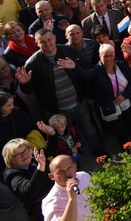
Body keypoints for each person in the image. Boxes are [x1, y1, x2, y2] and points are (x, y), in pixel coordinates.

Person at [16, 28, 105, 157]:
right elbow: (30, 90)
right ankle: (73, 158)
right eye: (43, 42)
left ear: (55, 38)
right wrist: (25, 83)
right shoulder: (33, 63)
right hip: (56, 109)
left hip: (79, 101)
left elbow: (84, 73)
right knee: (64, 135)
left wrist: (89, 95)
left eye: (49, 40)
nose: (47, 44)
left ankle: (97, 150)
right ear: (37, 43)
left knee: (89, 128)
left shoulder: (69, 51)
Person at [2, 139, 52, 221]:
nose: (24, 155)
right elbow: (28, 191)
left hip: (57, 199)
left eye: (26, 150)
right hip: (42, 212)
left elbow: (51, 149)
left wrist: (51, 134)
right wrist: (40, 167)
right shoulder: (11, 175)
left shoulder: (33, 158)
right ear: (10, 159)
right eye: (18, 155)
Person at [41, 154, 100, 221]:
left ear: (75, 167)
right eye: (60, 172)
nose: (67, 174)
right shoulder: (51, 201)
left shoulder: (84, 176)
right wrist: (71, 199)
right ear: (52, 176)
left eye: (69, 168)